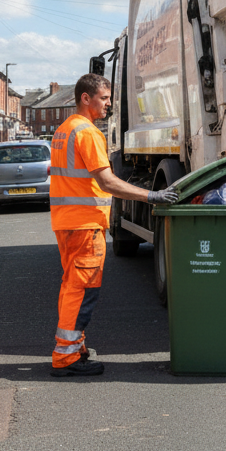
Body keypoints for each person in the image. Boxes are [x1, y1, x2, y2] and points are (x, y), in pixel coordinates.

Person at [48, 73, 179, 377]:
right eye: (104, 98)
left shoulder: (63, 130)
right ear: (86, 98)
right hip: (85, 224)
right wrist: (152, 195)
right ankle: (66, 356)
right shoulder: (88, 132)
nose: (108, 104)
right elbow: (106, 181)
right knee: (82, 290)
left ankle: (72, 347)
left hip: (66, 223)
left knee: (72, 287)